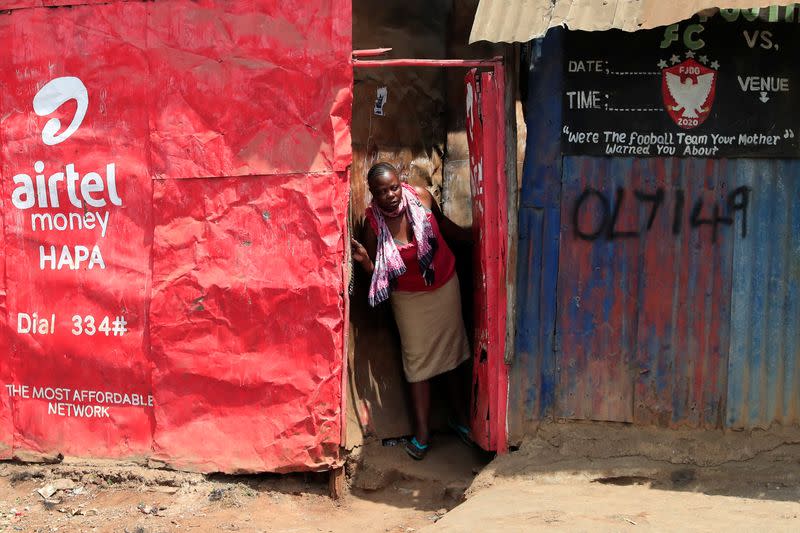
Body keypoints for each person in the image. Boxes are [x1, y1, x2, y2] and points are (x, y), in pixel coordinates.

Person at [351, 162, 472, 460]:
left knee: (454, 355)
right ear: (373, 194)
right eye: (382, 191)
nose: (390, 195)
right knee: (417, 364)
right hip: (408, 298)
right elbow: (377, 273)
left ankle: (460, 420)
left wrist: (474, 238)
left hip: (444, 285)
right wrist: (366, 260)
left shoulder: (421, 197)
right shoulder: (373, 225)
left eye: (393, 187)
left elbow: (442, 227)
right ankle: (422, 433)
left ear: (400, 182)